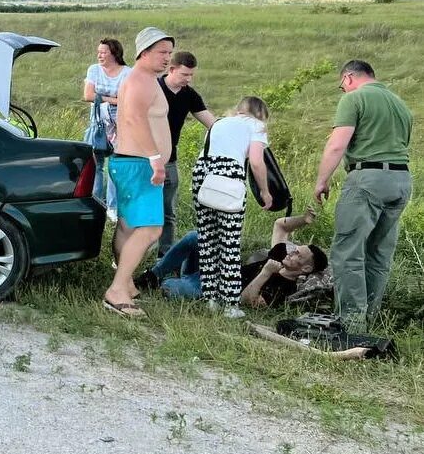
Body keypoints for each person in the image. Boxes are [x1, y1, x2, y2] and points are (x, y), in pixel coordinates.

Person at [314, 60, 413, 333]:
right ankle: (370, 316)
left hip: (368, 178)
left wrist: (322, 180)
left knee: (347, 250)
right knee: (379, 253)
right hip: (401, 180)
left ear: (348, 78)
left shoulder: (355, 98)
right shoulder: (400, 104)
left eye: (341, 86)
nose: (343, 91)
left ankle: (351, 322)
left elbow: (337, 145)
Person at [103, 26, 174, 318]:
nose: (167, 58)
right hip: (140, 163)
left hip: (130, 161)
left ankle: (127, 282)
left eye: (170, 53)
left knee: (128, 226)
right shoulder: (141, 80)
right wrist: (156, 158)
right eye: (162, 52)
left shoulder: (142, 79)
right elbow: (133, 118)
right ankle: (117, 290)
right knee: (151, 229)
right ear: (143, 52)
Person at [136, 206, 329, 306]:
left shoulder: (284, 288)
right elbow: (280, 225)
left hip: (216, 291)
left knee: (169, 288)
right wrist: (303, 220)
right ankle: (153, 275)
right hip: (217, 269)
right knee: (196, 236)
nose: (292, 251)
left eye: (298, 254)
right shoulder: (280, 255)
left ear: (305, 268)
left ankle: (173, 280)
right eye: (295, 248)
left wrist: (265, 273)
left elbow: (245, 301)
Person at [193, 96, 272, 317]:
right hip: (229, 176)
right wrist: (265, 191)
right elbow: (256, 161)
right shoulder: (256, 126)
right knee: (229, 242)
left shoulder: (217, 123)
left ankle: (210, 298)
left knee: (207, 238)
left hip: (203, 175)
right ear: (260, 113)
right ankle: (230, 304)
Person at [157, 51, 216, 256]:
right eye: (184, 75)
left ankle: (164, 254)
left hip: (170, 159)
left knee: (168, 211)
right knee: (142, 212)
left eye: (191, 75)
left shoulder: (189, 95)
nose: (188, 79)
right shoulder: (154, 88)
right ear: (171, 70)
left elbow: (212, 124)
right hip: (143, 157)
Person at [82, 38, 131, 219]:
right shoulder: (94, 70)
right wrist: (113, 99)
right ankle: (95, 201)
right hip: (99, 122)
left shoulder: (127, 72)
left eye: (104, 52)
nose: (99, 55)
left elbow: (128, 97)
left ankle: (113, 206)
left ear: (114, 53)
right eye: (99, 52)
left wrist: (101, 96)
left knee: (115, 164)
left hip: (121, 123)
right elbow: (88, 95)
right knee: (96, 162)